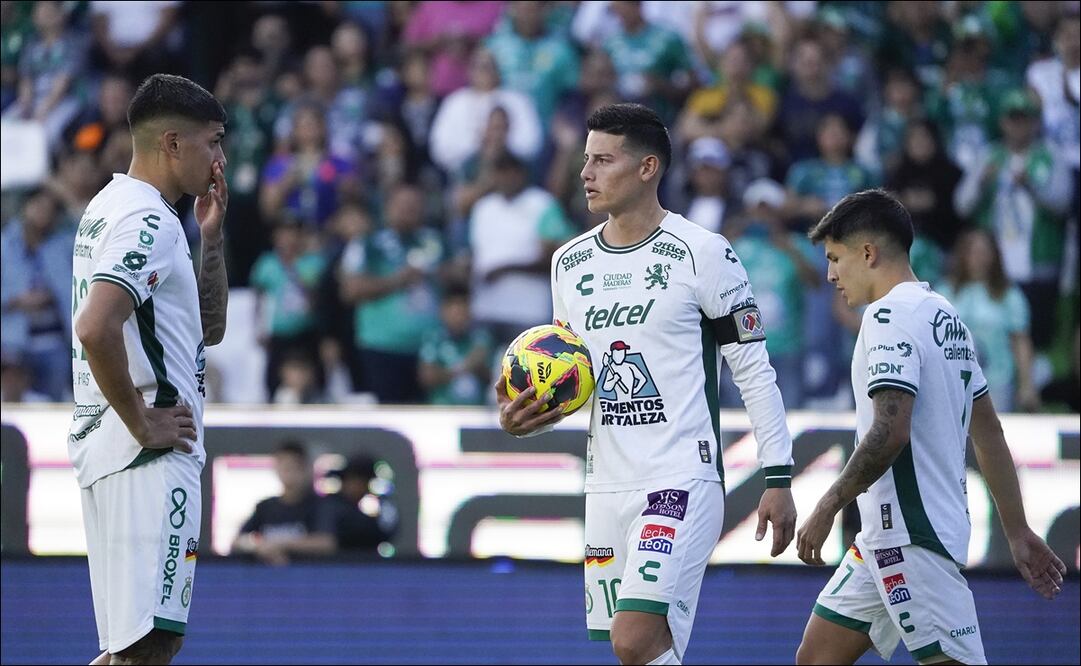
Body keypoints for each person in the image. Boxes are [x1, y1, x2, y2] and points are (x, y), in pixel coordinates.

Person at [496, 103, 796, 665]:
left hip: (680, 475)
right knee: (642, 651)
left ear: (647, 167)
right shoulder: (569, 263)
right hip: (607, 484)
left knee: (632, 638)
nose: (585, 173)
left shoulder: (702, 252)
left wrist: (777, 475)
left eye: (603, 160)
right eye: (586, 159)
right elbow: (573, 383)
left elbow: (754, 370)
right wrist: (527, 418)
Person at [795, 189, 1066, 665]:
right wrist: (1017, 529)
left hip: (910, 537)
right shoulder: (945, 315)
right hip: (884, 540)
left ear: (868, 253)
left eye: (835, 258)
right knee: (816, 658)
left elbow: (890, 431)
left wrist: (827, 505)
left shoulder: (887, 316)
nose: (831, 275)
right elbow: (989, 434)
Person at [70, 73, 229, 665]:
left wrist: (211, 238)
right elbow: (95, 327)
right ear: (173, 143)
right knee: (151, 645)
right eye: (213, 142)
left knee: (130, 648)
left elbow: (207, 328)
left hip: (112, 451)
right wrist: (143, 423)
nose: (220, 159)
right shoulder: (149, 222)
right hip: (148, 456)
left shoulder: (110, 207)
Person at [231, 441, 338, 565]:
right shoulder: (265, 507)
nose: (289, 473)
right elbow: (238, 541)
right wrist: (258, 547)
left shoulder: (320, 506)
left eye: (294, 467)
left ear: (306, 469)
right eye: (284, 467)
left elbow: (326, 543)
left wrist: (281, 545)